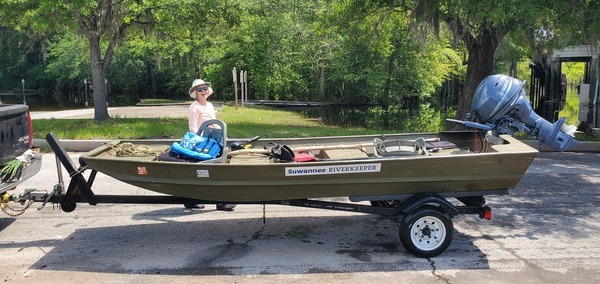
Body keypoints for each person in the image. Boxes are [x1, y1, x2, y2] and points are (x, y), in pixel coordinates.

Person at [184, 78, 237, 212]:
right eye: (200, 90)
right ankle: (221, 202)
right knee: (215, 173)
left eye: (205, 89)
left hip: (214, 142)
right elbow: (193, 129)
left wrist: (222, 136)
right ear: (195, 93)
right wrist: (205, 142)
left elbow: (214, 123)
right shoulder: (194, 107)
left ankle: (192, 200)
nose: (203, 91)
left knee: (210, 172)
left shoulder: (209, 105)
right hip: (204, 145)